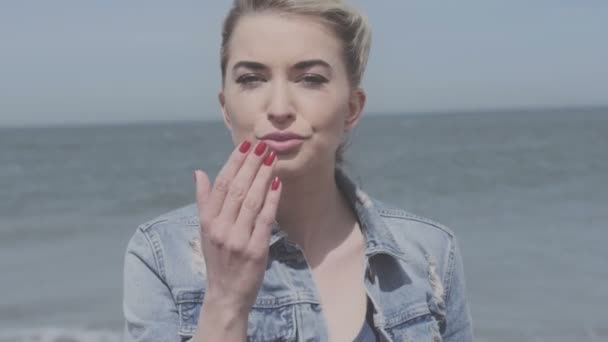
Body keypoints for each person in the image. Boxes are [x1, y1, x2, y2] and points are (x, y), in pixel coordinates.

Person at [122, 0, 474, 341]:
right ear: (225, 107)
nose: (279, 108)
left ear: (352, 107)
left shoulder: (429, 253)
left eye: (309, 78)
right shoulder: (162, 254)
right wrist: (225, 302)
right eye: (251, 79)